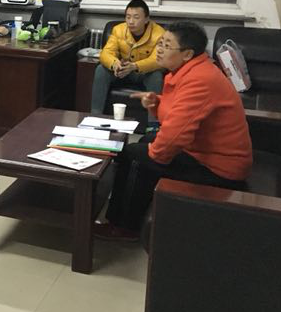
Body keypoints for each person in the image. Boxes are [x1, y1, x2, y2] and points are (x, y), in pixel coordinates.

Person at [95, 21, 253, 241]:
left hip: (219, 169)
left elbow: (176, 134)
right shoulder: (192, 70)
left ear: (187, 54)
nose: (159, 49)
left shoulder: (200, 80)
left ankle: (124, 226)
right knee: (146, 141)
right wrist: (156, 103)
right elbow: (179, 114)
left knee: (134, 156)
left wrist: (154, 155)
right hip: (204, 152)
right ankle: (130, 203)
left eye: (167, 45)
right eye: (160, 43)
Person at [91, 0, 165, 114]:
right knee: (101, 69)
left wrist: (135, 66)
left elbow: (157, 60)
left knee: (156, 75)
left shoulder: (159, 33)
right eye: (128, 17)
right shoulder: (118, 30)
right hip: (122, 71)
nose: (131, 21)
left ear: (146, 19)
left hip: (144, 73)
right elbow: (106, 53)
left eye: (136, 17)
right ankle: (95, 115)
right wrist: (115, 64)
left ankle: (153, 122)